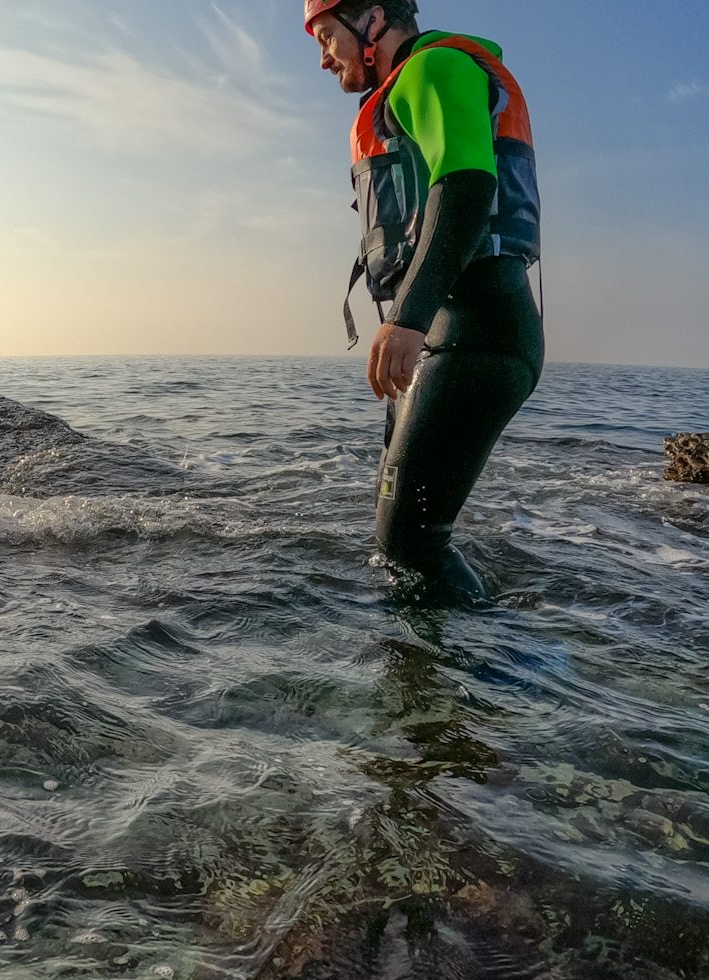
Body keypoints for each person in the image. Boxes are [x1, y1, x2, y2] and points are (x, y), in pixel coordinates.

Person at [305, 0, 544, 603]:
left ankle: (489, 662)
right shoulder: (402, 90)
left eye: (327, 37)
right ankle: (427, 656)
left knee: (412, 547)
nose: (323, 58)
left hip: (478, 328)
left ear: (372, 20)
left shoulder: (435, 69)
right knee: (398, 539)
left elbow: (466, 184)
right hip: (446, 334)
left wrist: (407, 319)